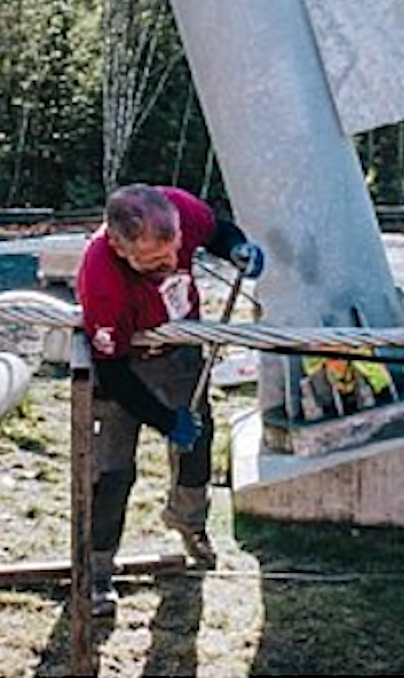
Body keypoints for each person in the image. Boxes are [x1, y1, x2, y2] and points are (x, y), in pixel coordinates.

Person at [75, 183, 265, 617]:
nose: (170, 265)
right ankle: (98, 568)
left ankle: (189, 521)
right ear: (122, 251)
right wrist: (164, 419)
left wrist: (236, 249)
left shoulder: (180, 211)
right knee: (113, 470)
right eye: (154, 262)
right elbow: (115, 375)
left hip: (179, 346)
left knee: (197, 441)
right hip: (123, 362)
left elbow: (218, 231)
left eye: (174, 252)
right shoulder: (100, 275)